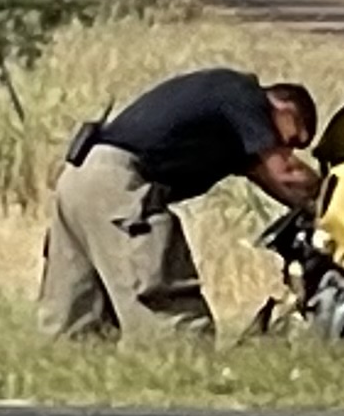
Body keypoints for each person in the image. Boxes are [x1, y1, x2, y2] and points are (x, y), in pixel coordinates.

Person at [40, 67, 321, 342]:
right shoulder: (244, 96)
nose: (290, 148)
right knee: (172, 323)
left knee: (75, 322)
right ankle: (190, 379)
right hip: (118, 185)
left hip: (78, 179)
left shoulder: (233, 126)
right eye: (294, 138)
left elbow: (277, 183)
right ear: (284, 108)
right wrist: (333, 195)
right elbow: (284, 172)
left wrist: (312, 212)